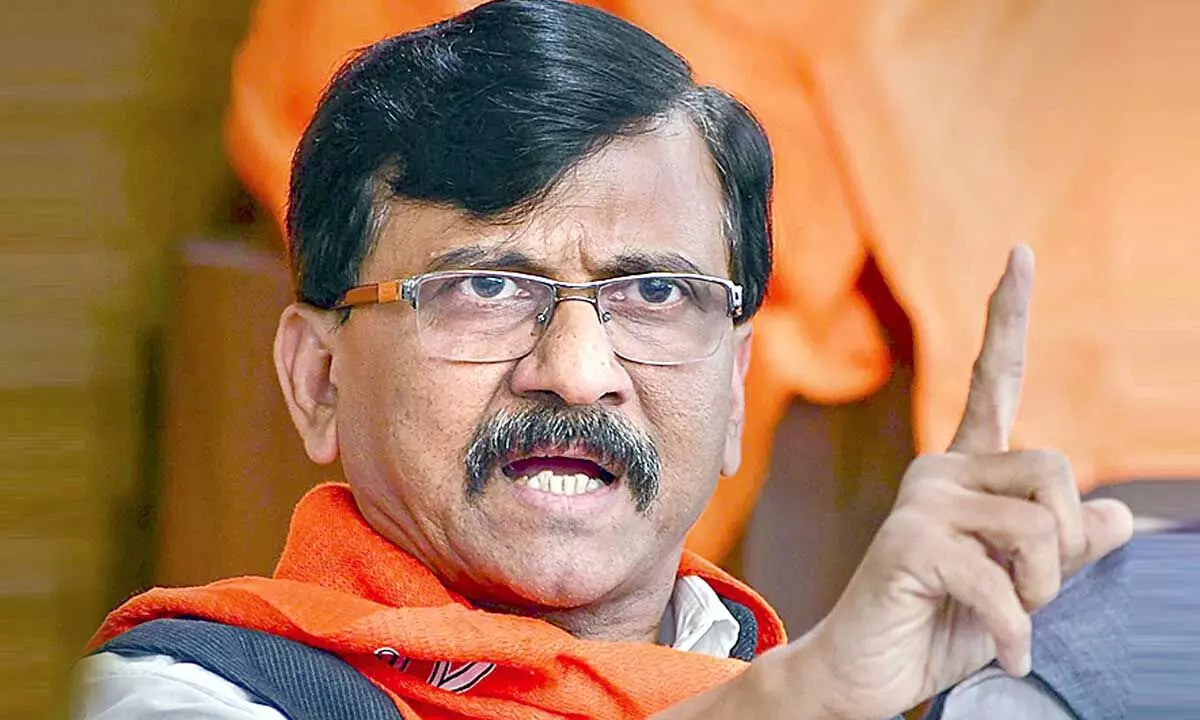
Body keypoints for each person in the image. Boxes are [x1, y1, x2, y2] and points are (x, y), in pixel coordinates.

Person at [73, 1, 1132, 718]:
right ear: (317, 379)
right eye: (486, 289)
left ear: (735, 392)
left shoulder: (830, 679)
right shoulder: (175, 695)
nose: (578, 372)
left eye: (655, 294)